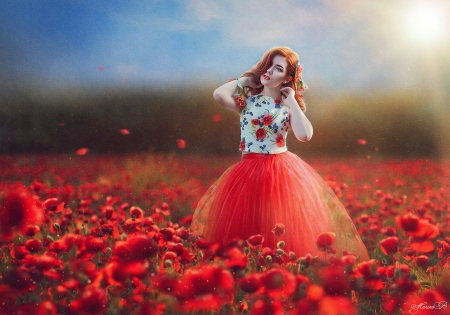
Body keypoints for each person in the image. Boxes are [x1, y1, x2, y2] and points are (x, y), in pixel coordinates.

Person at [191, 46, 369, 261]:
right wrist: (245, 82)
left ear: (287, 78)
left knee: (278, 223)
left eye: (277, 69)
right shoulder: (247, 102)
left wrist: (292, 100)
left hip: (281, 172)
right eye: (267, 65)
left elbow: (305, 135)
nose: (268, 71)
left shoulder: (286, 107)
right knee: (247, 224)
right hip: (247, 170)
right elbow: (219, 94)